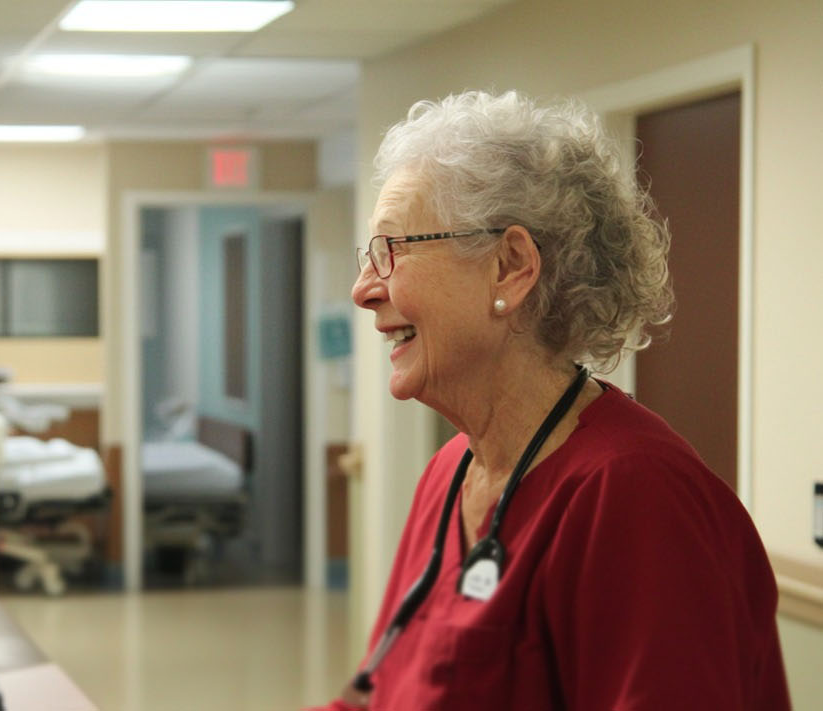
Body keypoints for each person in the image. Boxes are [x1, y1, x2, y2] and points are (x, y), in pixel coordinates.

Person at [311, 91, 789, 710]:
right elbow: (381, 686)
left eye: (392, 250)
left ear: (510, 265)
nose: (363, 289)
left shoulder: (636, 497)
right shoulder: (449, 474)